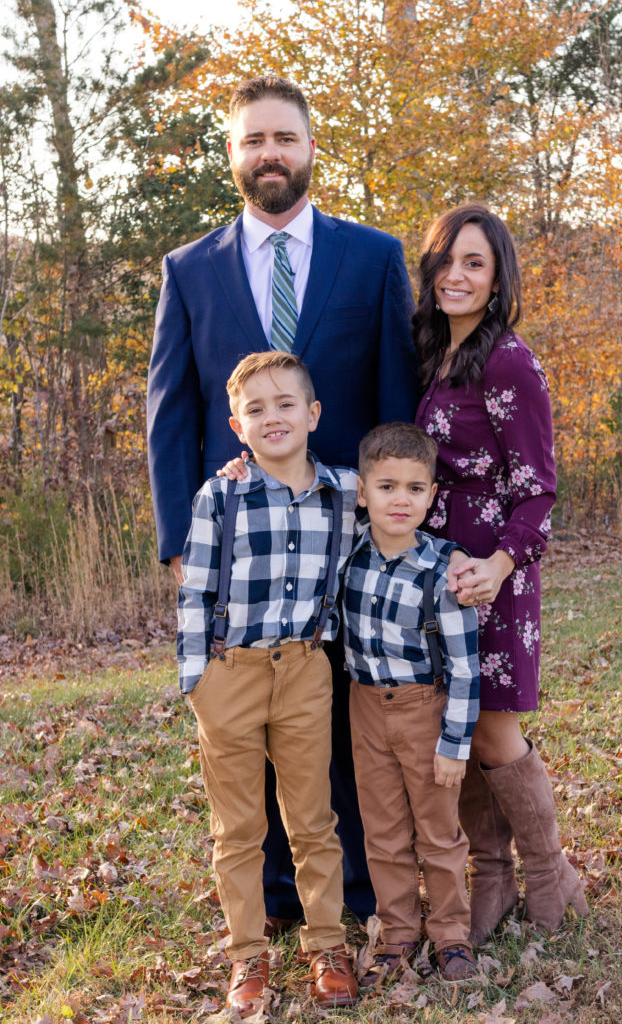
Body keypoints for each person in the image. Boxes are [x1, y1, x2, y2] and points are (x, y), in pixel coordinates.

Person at [147, 74, 417, 929]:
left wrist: (396, 520)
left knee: (336, 716)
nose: (270, 153)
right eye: (253, 140)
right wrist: (177, 540)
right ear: (233, 156)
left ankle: (355, 893)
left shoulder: (373, 257)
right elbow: (171, 412)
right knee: (247, 725)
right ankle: (267, 904)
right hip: (237, 545)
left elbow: (394, 400)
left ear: (309, 149)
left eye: (284, 138)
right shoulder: (189, 270)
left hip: (345, 535)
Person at [413, 203, 588, 943]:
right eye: (446, 260)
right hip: (442, 572)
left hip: (496, 571)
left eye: (474, 263)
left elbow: (539, 486)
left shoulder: (510, 359)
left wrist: (500, 562)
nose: (457, 274)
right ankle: (493, 877)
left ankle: (551, 874)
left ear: (497, 277)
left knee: (494, 731)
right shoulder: (433, 354)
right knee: (464, 726)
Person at [178, 351, 360, 1014]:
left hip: (306, 668)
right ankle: (247, 956)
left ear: (313, 414)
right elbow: (194, 593)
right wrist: (197, 684)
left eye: (286, 404)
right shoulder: (218, 496)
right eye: (256, 409)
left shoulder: (344, 492)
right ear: (237, 425)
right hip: (231, 671)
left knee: (313, 817)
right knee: (239, 827)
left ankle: (327, 944)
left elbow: (405, 495)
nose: (273, 417)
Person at [343, 423, 481, 988]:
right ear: (362, 492)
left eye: (415, 488)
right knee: (382, 829)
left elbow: (467, 668)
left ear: (431, 495)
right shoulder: (349, 553)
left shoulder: (445, 570)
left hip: (425, 708)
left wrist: (454, 746)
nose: (400, 499)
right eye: (386, 486)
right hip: (365, 705)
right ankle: (398, 930)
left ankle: (451, 934)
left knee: (438, 831)